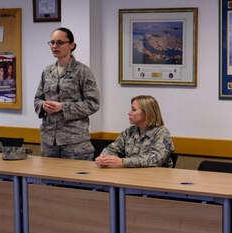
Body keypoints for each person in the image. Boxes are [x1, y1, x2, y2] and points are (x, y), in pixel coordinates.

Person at [34, 27, 100, 160]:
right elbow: (37, 99)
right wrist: (43, 105)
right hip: (49, 141)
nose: (54, 46)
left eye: (59, 42)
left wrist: (63, 107)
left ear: (72, 45)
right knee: (49, 179)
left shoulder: (82, 71)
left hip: (74, 141)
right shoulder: (47, 71)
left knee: (76, 179)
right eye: (52, 43)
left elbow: (93, 103)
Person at [95, 95, 174, 168]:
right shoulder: (129, 131)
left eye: (134, 109)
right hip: (132, 175)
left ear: (147, 113)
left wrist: (123, 162)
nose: (129, 113)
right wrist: (104, 158)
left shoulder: (161, 133)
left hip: (157, 177)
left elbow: (156, 159)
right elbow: (112, 149)